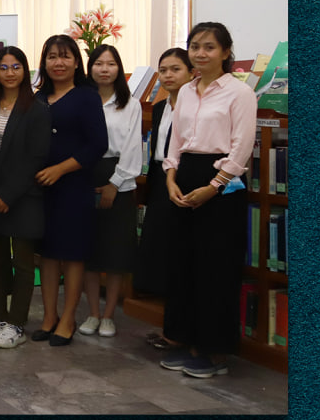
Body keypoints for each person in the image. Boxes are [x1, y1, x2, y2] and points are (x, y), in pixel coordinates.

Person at [160, 21, 257, 378]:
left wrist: (213, 186)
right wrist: (170, 176)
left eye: (209, 47)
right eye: (195, 46)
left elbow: (241, 147)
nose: (200, 53)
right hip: (184, 175)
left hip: (221, 184)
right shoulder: (186, 91)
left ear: (226, 52)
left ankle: (213, 351)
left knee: (215, 268)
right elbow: (176, 139)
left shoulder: (239, 93)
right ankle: (185, 339)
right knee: (183, 264)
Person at [33, 34, 109, 346]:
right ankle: (49, 317)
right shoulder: (38, 97)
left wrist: (60, 169)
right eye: (52, 56)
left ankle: (68, 319)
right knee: (48, 254)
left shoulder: (87, 96)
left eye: (65, 56)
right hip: (41, 188)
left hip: (74, 186)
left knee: (73, 254)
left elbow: (97, 145)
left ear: (77, 62)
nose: (58, 62)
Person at [0, 47, 51, 350]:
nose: (9, 73)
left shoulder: (37, 109)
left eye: (16, 67)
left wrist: (7, 194)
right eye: (3, 67)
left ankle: (16, 323)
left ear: (25, 70)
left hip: (23, 197)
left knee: (22, 264)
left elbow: (36, 158)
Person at [78, 44, 143, 338]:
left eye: (111, 63)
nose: (104, 69)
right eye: (99, 63)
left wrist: (114, 184)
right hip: (84, 173)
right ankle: (92, 313)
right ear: (89, 67)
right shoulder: (82, 99)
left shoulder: (130, 104)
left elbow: (132, 147)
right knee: (88, 251)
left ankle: (108, 316)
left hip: (119, 177)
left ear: (119, 68)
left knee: (115, 254)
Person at [133, 47, 193, 326]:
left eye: (176, 69)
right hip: (158, 177)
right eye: (164, 70)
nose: (168, 75)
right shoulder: (159, 107)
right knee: (157, 241)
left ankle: (177, 310)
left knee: (180, 245)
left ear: (191, 73)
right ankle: (162, 302)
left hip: (184, 177)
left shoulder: (195, 108)